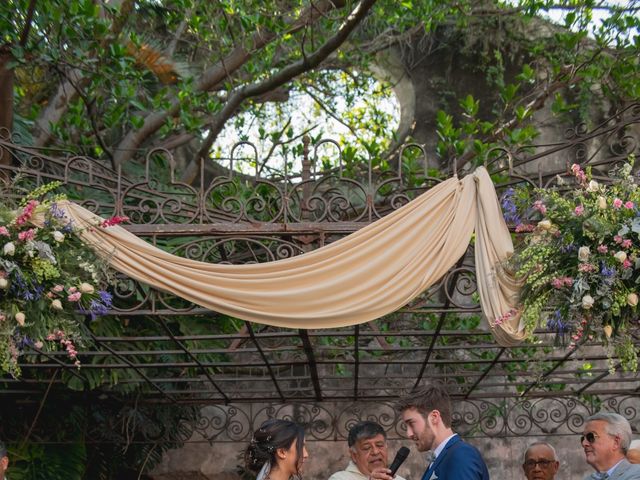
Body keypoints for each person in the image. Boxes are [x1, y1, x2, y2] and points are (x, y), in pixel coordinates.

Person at [397, 383, 489, 480]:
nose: (409, 433)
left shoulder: (460, 455)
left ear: (434, 417)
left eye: (411, 423)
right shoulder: (444, 456)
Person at [328, 421, 407, 480]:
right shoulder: (339, 478)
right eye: (366, 448)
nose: (375, 452)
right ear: (354, 455)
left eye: (379, 445)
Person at [581, 411, 640, 479]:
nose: (584, 443)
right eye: (583, 438)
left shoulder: (636, 475)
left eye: (591, 437)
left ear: (616, 442)